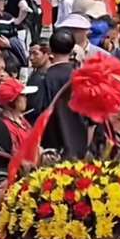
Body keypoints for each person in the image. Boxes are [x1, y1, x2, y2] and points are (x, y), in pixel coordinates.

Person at [37, 28, 89, 158]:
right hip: (79, 145)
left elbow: (38, 112)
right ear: (72, 49)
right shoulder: (83, 78)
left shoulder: (43, 78)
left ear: (50, 50)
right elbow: (92, 118)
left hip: (51, 147)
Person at [0, 77, 35, 151]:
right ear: (12, 101)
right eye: (22, 95)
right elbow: (16, 154)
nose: (25, 98)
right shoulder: (8, 128)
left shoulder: (20, 119)